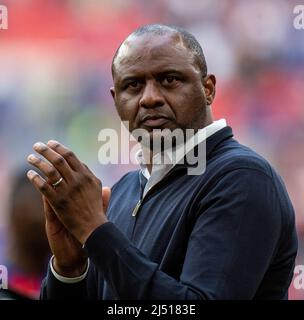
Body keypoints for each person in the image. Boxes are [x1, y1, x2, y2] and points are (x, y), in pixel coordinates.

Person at [26, 24, 297, 300]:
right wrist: (70, 270)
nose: (150, 98)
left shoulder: (242, 178)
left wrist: (96, 232)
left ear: (208, 89)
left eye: (169, 80)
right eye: (133, 85)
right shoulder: (123, 191)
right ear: (115, 99)